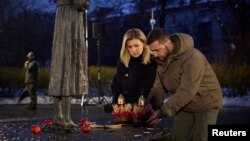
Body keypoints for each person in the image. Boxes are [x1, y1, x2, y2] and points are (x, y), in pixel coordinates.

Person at [145, 28, 223, 141]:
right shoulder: (161, 61)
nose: (155, 55)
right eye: (153, 52)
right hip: (184, 105)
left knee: (200, 137)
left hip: (206, 102)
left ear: (168, 42)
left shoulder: (192, 57)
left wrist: (162, 112)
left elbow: (187, 90)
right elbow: (158, 88)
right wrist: (150, 106)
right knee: (178, 137)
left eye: (157, 50)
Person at [48, 0, 89, 127]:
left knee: (60, 64)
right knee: (67, 65)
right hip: (70, 16)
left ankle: (59, 116)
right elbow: (80, 3)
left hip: (63, 14)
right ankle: (65, 118)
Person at [111, 28, 156, 105]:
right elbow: (116, 84)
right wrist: (119, 98)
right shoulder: (123, 61)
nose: (134, 50)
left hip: (147, 106)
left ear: (144, 44)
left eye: (136, 45)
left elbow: (155, 88)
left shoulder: (152, 61)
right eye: (130, 47)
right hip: (126, 108)